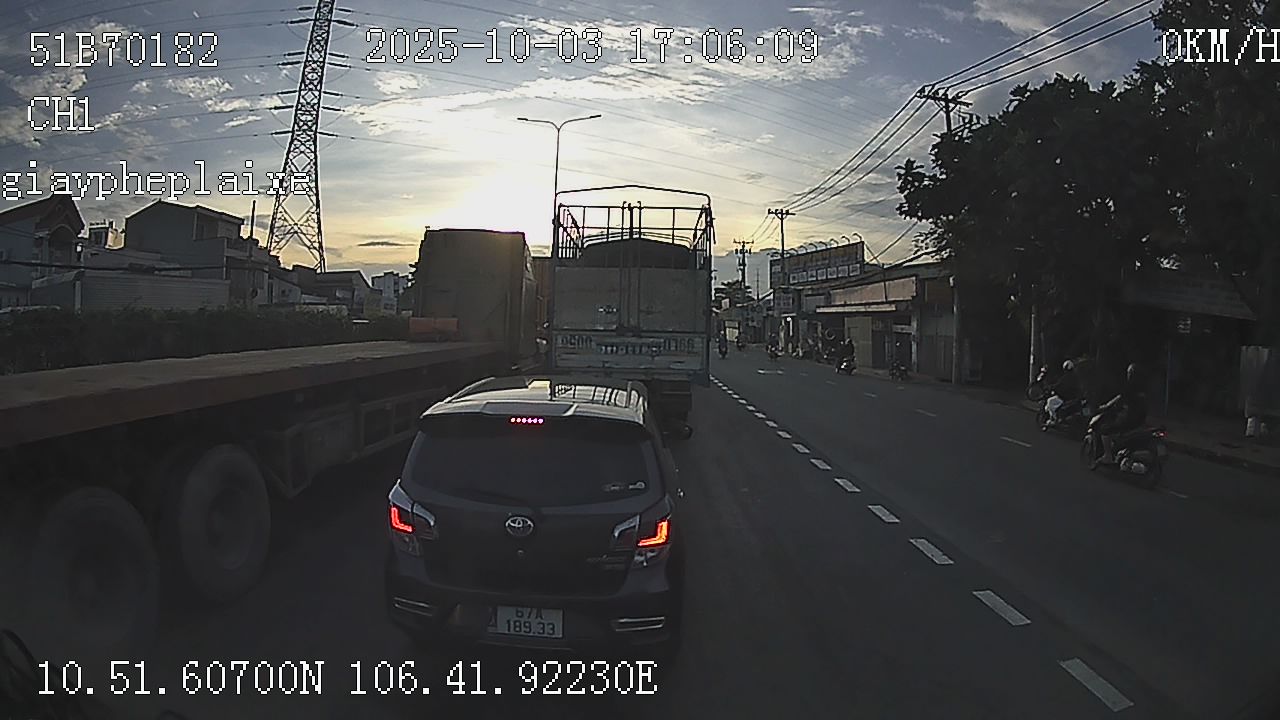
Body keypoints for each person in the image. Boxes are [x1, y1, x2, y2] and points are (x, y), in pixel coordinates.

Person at [1095, 363, 1148, 465]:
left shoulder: (1130, 387)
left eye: (1128, 373)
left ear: (1131, 374)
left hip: (1129, 419)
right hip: (1140, 421)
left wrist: (1107, 406)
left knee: (1105, 430)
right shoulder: (1143, 388)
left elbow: (1119, 400)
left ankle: (1108, 456)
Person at [1045, 359, 1083, 426]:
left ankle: (1054, 419)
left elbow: (1059, 385)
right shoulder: (1074, 376)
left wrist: (1051, 387)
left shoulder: (1067, 377)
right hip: (1072, 396)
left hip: (1065, 397)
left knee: (1050, 402)